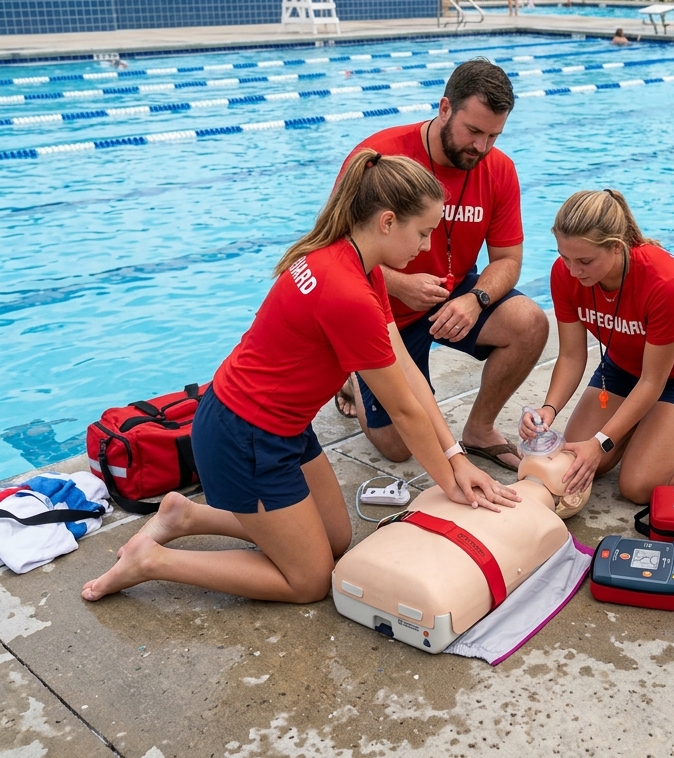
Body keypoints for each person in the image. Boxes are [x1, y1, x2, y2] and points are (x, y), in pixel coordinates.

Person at [81, 153, 521, 604]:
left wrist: (456, 457)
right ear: (388, 222)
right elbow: (403, 410)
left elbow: (406, 370)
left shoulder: (358, 264)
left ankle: (186, 516)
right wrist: (451, 485)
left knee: (335, 539)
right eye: (423, 232)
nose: (426, 247)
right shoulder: (348, 293)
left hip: (280, 426)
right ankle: (151, 561)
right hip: (244, 437)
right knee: (309, 581)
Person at [337, 60, 549, 470]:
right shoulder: (380, 159)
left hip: (450, 296)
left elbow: (508, 260)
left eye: (493, 135)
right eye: (474, 131)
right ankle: (355, 380)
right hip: (382, 309)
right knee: (400, 448)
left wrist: (475, 299)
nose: (482, 147)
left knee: (530, 322)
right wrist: (399, 285)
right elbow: (336, 253)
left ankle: (480, 429)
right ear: (445, 108)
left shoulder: (499, 169)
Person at [519, 190, 674, 504]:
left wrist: (601, 440)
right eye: (565, 257)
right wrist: (548, 409)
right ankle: (651, 423)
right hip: (624, 369)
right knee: (576, 464)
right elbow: (572, 356)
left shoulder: (664, 281)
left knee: (638, 487)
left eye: (585, 261)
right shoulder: (564, 273)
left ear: (617, 246)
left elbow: (653, 381)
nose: (573, 271)